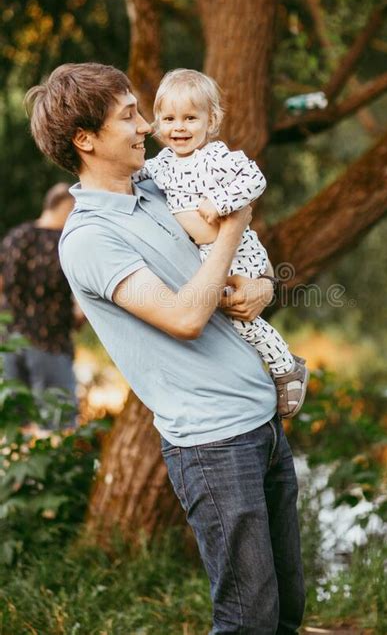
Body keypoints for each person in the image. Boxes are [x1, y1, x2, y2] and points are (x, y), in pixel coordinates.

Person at [26, 63, 305, 634]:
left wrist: (264, 285)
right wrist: (233, 223)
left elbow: (239, 268)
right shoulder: (89, 239)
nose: (147, 126)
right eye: (129, 116)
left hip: (263, 424)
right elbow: (184, 316)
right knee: (247, 620)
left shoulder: (159, 185)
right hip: (213, 442)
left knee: (285, 611)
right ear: (85, 139)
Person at [135, 68, 309, 418]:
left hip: (237, 249)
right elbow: (135, 174)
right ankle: (259, 375)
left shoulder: (216, 157)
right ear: (157, 123)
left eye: (189, 118)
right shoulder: (162, 165)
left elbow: (255, 179)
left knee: (240, 317)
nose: (179, 127)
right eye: (169, 119)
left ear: (210, 121)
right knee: (221, 314)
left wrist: (221, 202)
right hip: (208, 255)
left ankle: (286, 366)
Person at [0, 183, 80, 425]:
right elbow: (82, 299)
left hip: (9, 343)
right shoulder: (66, 243)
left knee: (13, 427)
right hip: (50, 343)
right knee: (58, 423)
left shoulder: (17, 236)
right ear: (67, 206)